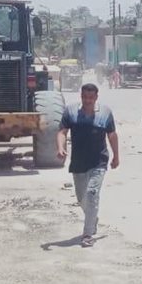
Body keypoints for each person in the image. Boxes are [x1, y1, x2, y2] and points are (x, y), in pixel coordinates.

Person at [56, 84, 119, 247]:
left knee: (92, 194)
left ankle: (88, 234)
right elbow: (62, 131)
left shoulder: (105, 113)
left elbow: (112, 135)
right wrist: (60, 147)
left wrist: (116, 156)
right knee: (81, 198)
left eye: (91, 98)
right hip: (78, 162)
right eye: (85, 97)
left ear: (96, 97)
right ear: (81, 96)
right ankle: (93, 217)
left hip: (99, 161)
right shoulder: (71, 111)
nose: (87, 101)